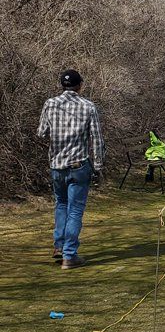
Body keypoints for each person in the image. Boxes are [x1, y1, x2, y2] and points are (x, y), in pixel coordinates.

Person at [37, 69, 105, 270]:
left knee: (61, 204)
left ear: (62, 85)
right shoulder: (88, 106)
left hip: (57, 165)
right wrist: (99, 166)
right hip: (78, 165)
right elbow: (97, 140)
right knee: (75, 210)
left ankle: (59, 246)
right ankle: (69, 255)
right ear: (79, 86)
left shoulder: (50, 104)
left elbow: (41, 133)